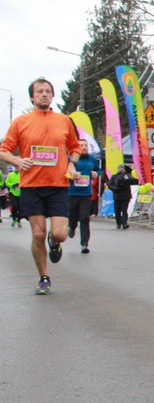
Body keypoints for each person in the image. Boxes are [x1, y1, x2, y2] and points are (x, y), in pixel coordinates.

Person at [0, 77, 83, 295]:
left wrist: (72, 163)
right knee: (38, 234)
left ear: (52, 96)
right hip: (31, 185)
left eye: (47, 91)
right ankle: (44, 277)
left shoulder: (64, 120)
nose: (44, 94)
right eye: (39, 91)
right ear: (32, 97)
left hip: (58, 185)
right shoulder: (21, 122)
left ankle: (54, 243)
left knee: (60, 234)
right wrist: (17, 161)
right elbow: (3, 150)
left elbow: (75, 147)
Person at [67, 149, 99, 253]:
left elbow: (98, 170)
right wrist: (71, 176)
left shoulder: (92, 159)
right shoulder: (70, 159)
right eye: (81, 145)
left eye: (85, 145)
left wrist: (96, 173)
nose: (84, 147)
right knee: (73, 216)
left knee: (85, 218)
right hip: (73, 193)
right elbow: (64, 173)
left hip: (86, 194)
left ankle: (84, 244)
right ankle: (72, 226)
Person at [107, 164, 137, 229]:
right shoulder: (114, 176)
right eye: (120, 168)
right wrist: (115, 188)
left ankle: (125, 223)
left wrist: (126, 178)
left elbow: (133, 180)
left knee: (124, 210)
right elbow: (109, 185)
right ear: (118, 169)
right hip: (117, 196)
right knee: (117, 211)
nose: (121, 169)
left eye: (123, 168)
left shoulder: (127, 175)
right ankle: (118, 223)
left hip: (126, 196)